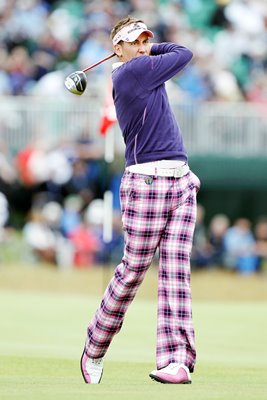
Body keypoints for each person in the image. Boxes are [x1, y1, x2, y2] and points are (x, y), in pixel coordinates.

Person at [80, 16, 200, 385]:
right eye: (136, 41)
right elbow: (184, 52)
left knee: (176, 267)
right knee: (133, 272)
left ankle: (176, 360)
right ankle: (95, 345)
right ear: (118, 49)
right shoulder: (129, 74)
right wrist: (150, 49)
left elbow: (178, 54)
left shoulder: (142, 66)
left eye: (148, 39)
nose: (145, 46)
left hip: (180, 179)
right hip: (144, 184)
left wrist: (143, 43)